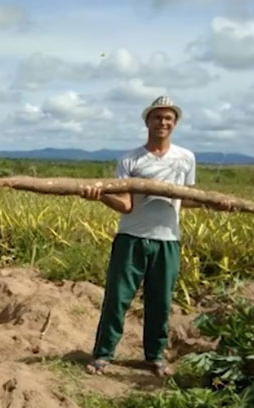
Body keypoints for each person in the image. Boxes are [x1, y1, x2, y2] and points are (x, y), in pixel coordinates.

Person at [81, 96, 229, 377]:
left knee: (160, 301)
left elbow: (185, 199)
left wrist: (212, 202)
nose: (163, 122)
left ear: (174, 124)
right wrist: (101, 196)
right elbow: (126, 204)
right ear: (147, 121)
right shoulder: (130, 159)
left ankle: (154, 356)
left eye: (168, 118)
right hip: (131, 238)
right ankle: (103, 354)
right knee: (117, 299)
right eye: (157, 117)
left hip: (167, 240)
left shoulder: (185, 159)